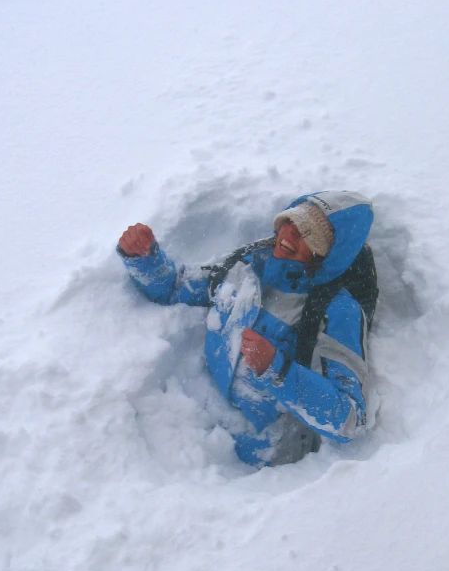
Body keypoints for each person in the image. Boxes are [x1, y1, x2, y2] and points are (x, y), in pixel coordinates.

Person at [117, 190, 378, 467]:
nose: (288, 234)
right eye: (289, 222)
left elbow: (349, 419)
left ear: (326, 253)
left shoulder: (338, 312)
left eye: (306, 233)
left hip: (268, 462)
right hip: (194, 426)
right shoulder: (250, 265)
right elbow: (175, 287)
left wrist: (278, 371)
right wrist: (145, 259)